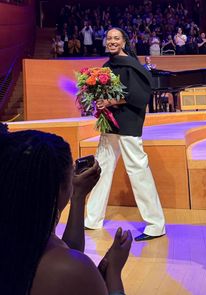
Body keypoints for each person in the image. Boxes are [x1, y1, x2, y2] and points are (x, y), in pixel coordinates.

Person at [0, 125, 132, 295]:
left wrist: (78, 197)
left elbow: (66, 252)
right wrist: (113, 273)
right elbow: (67, 263)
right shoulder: (72, 271)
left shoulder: (20, 232)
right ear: (60, 189)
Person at [84, 27, 166, 242]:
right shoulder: (106, 67)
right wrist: (100, 102)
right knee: (100, 170)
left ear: (123, 42)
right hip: (109, 124)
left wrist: (111, 101)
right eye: (109, 38)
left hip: (128, 123)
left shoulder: (131, 64)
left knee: (138, 171)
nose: (112, 41)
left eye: (116, 38)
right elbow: (103, 93)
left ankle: (156, 224)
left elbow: (138, 95)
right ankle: (92, 219)